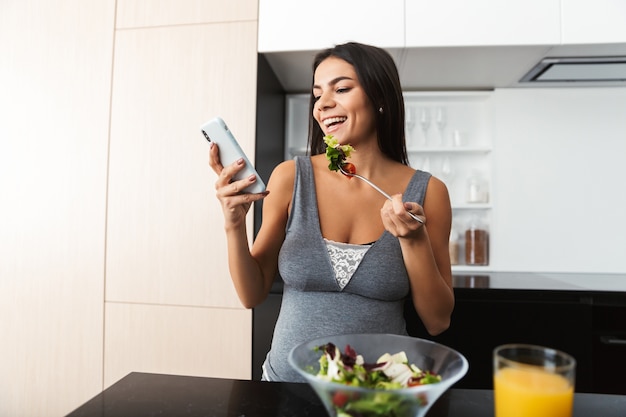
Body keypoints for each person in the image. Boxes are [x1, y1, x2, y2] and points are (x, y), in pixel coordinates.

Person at [209, 42, 454, 382]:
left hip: (375, 397)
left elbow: (438, 320)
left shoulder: (430, 193)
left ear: (380, 97)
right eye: (317, 93)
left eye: (341, 88)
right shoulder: (290, 177)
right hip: (284, 389)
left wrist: (413, 240)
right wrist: (233, 224)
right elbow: (252, 295)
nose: (323, 104)